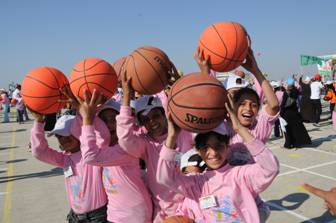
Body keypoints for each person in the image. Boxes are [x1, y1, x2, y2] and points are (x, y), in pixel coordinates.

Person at [157, 94, 279, 222]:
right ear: (198, 150)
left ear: (227, 146)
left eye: (218, 146)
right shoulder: (198, 183)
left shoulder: (240, 176)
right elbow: (164, 178)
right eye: (205, 147)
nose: (213, 153)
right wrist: (171, 137)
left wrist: (239, 128)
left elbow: (271, 168)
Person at [116, 72, 193, 222]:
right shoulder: (145, 143)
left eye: (155, 115)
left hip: (190, 204)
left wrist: (180, 86)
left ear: (164, 114)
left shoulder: (184, 133)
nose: (152, 122)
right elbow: (124, 139)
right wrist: (126, 98)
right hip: (162, 211)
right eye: (146, 119)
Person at [77, 90, 153, 223]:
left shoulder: (126, 149)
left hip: (134, 215)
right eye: (103, 121)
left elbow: (90, 156)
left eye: (113, 119)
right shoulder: (104, 145)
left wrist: (88, 119)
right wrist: (78, 105)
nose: (108, 124)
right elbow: (97, 130)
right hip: (114, 214)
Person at [30, 113, 108, 223]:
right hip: (75, 216)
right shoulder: (65, 159)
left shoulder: (93, 156)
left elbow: (103, 138)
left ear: (78, 132)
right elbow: (39, 152)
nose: (63, 139)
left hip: (98, 216)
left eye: (67, 135)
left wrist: (86, 114)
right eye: (59, 136)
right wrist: (38, 121)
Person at [280, 78, 311, 148]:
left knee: (288, 129)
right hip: (294, 112)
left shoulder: (287, 92)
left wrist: (281, 113)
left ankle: (288, 144)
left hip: (287, 112)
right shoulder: (296, 90)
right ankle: (297, 143)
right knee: (296, 129)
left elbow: (284, 103)